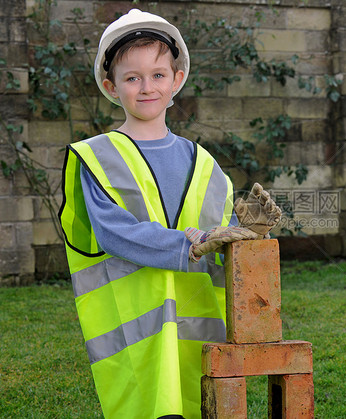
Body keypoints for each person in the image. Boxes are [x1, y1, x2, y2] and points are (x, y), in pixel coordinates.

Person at [58, 9, 281, 419]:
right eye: (132, 78)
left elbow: (222, 240)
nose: (147, 87)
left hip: (203, 340)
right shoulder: (96, 157)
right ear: (111, 86)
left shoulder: (205, 164)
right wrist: (191, 245)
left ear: (176, 80)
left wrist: (250, 233)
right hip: (136, 346)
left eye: (158, 75)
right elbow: (114, 233)